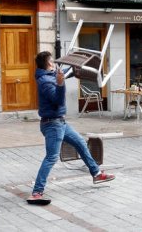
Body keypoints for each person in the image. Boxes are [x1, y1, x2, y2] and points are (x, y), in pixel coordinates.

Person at [27, 51, 115, 205]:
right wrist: (61, 84)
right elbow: (58, 101)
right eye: (52, 60)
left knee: (80, 143)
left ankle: (96, 173)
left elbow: (63, 73)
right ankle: (36, 192)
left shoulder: (50, 75)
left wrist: (73, 71)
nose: (54, 62)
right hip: (53, 125)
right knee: (51, 158)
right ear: (48, 63)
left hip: (60, 123)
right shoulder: (46, 82)